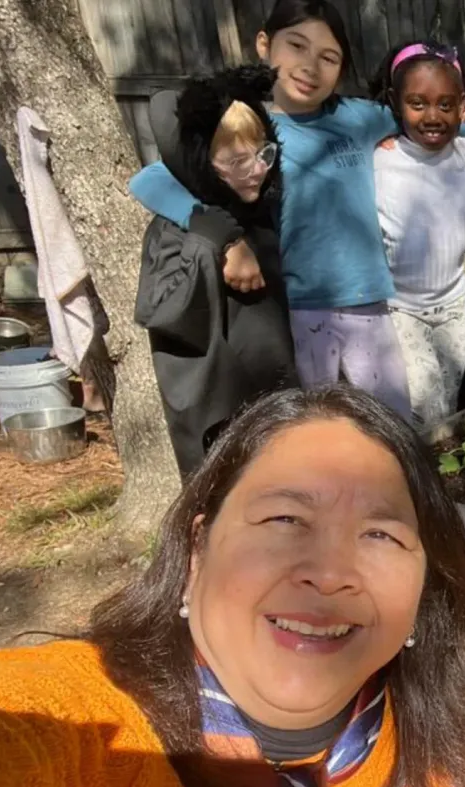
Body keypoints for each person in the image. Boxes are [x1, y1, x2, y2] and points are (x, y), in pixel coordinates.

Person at [0, 386, 465, 787]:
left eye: (380, 535)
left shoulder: (434, 766)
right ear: (198, 550)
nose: (330, 575)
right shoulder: (70, 730)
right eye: (284, 518)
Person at [129, 1, 465, 418]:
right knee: (320, 419)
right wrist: (225, 237)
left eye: (328, 57)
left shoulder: (358, 119)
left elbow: (429, 113)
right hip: (301, 310)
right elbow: (151, 180)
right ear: (264, 44)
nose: (310, 66)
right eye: (297, 46)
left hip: (373, 310)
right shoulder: (250, 127)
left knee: (394, 423)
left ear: (342, 67)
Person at [134, 66, 297, 478]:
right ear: (200, 160)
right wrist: (208, 244)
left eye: (263, 154)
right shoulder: (176, 231)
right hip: (218, 414)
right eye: (237, 161)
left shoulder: (256, 212)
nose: (256, 170)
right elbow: (161, 309)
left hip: (272, 393)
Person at [368, 40, 465, 429]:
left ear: (463, 105)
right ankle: (424, 462)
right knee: (422, 406)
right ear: (396, 103)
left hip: (454, 306)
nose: (432, 116)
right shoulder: (378, 159)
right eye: (417, 103)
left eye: (445, 105)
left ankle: (438, 462)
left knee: (448, 398)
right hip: (401, 308)